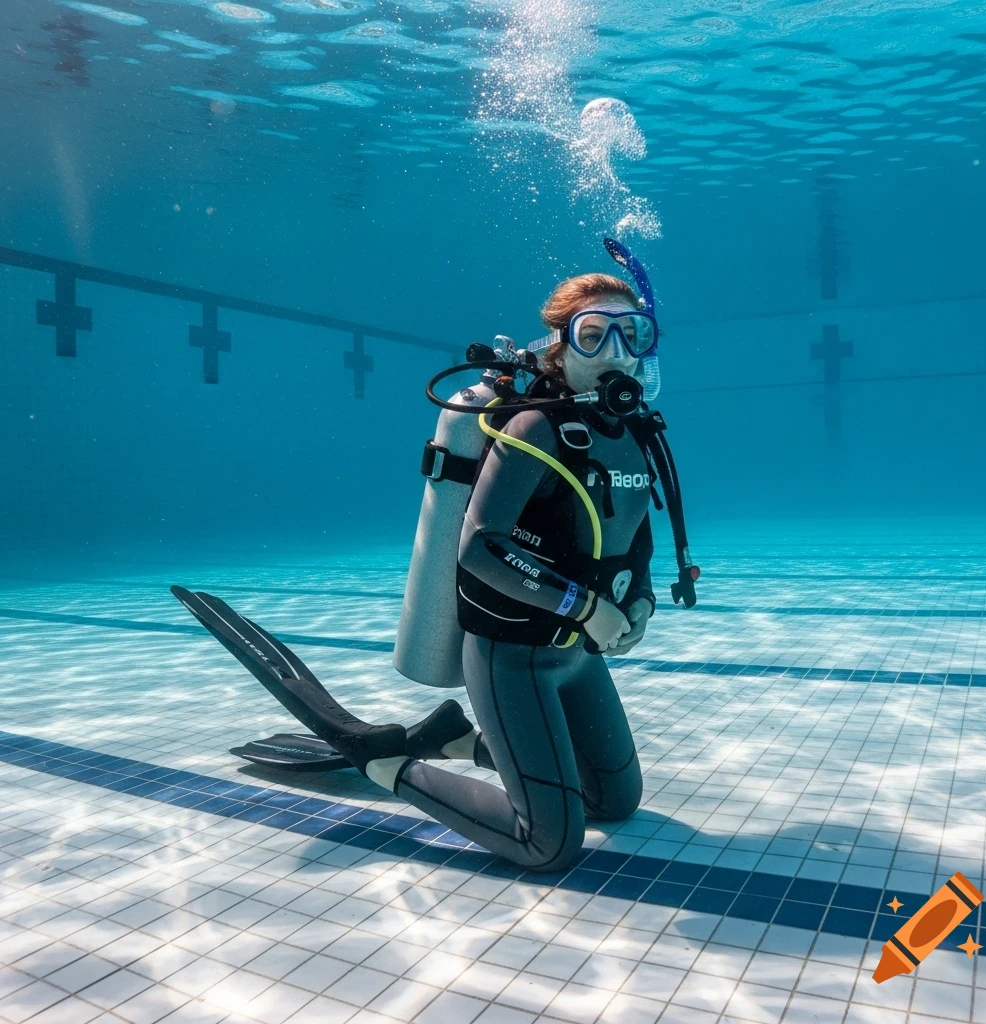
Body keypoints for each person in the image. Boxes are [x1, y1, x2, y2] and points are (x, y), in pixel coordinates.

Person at [173, 243, 697, 874]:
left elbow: (634, 527)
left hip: (577, 655)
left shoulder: (636, 430)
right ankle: (388, 763)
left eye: (630, 334)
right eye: (593, 335)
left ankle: (455, 739)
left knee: (615, 800)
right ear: (558, 345)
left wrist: (637, 596)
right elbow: (478, 546)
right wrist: (585, 605)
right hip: (516, 655)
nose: (614, 352)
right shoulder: (534, 427)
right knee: (548, 844)